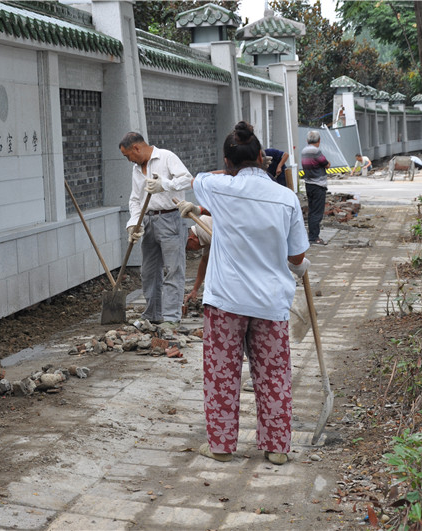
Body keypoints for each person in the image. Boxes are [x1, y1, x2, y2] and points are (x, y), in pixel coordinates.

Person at [181, 121, 310, 466]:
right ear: (262, 158)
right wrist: (300, 267)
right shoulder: (286, 198)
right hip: (271, 302)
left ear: (226, 162)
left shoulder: (217, 187)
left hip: (226, 300)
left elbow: (197, 179)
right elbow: (296, 257)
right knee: (274, 375)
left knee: (222, 372)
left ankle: (222, 446)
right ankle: (277, 447)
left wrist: (225, 172)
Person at [119, 132, 193, 326]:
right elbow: (136, 199)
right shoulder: (136, 170)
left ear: (136, 148)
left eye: (128, 155)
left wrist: (165, 185)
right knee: (149, 272)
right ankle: (152, 314)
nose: (128, 160)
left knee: (173, 270)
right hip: (148, 221)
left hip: (170, 219)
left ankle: (170, 319)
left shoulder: (166, 157)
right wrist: (133, 224)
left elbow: (187, 179)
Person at [301, 131, 331, 245]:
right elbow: (326, 164)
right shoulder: (316, 151)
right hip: (318, 185)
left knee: (312, 211)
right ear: (318, 141)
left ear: (307, 140)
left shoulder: (304, 151)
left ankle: (311, 235)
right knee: (317, 212)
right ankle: (314, 237)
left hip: (309, 184)